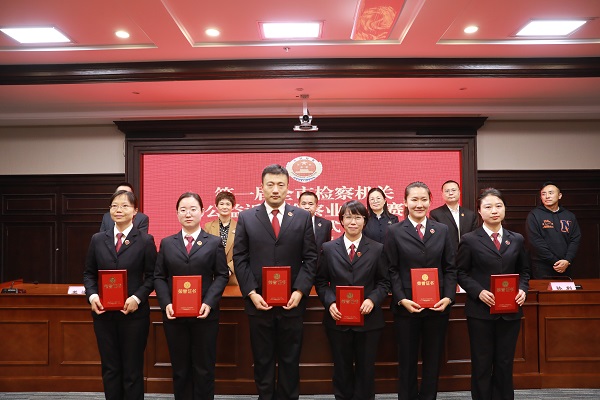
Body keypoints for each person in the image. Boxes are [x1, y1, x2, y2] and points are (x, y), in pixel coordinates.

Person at [233, 164, 318, 400]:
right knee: (262, 359)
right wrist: (251, 293)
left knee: (290, 359)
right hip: (259, 302)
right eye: (270, 184)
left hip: (292, 302)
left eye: (281, 185)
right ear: (261, 187)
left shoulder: (302, 217)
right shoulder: (247, 217)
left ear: (288, 187)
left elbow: (311, 258)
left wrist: (300, 291)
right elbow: (240, 258)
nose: (275, 190)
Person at [384, 181, 456, 400]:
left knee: (433, 360)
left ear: (430, 201)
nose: (419, 204)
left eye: (424, 199)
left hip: (437, 306)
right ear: (405, 202)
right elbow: (391, 269)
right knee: (407, 360)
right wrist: (401, 299)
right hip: (406, 307)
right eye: (414, 199)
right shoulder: (394, 231)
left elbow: (450, 267)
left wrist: (448, 297)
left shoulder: (441, 230)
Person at [154, 192, 229, 400]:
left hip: (205, 315)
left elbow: (221, 275)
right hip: (174, 316)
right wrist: (166, 303)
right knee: (180, 368)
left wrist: (209, 302)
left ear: (202, 212)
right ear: (177, 213)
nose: (188, 214)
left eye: (193, 209)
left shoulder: (213, 242)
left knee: (204, 368)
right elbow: (159, 276)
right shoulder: (167, 243)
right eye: (183, 210)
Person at [457, 188, 530, 400]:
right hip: (481, 311)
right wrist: (478, 291)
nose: (494, 211)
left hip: (510, 311)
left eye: (498, 206)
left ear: (505, 209)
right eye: (488, 207)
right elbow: (460, 272)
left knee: (505, 362)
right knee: (482, 362)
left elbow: (525, 271)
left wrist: (522, 289)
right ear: (480, 211)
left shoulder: (516, 239)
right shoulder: (470, 239)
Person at [83, 189, 157, 400]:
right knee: (110, 368)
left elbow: (152, 276)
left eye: (125, 206)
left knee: (132, 370)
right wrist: (93, 296)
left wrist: (136, 298)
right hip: (104, 315)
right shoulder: (98, 239)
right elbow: (89, 274)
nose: (119, 210)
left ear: (135, 211)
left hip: (134, 316)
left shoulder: (145, 240)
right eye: (114, 206)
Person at [315, 200, 389, 400]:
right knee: (341, 368)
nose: (353, 222)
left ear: (365, 221)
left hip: (368, 320)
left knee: (366, 369)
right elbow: (320, 282)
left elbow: (384, 282)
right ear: (341, 220)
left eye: (358, 217)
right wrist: (330, 302)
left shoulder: (377, 248)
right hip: (338, 319)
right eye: (348, 217)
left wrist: (372, 300)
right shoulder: (328, 248)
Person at [526, 181, 581, 279]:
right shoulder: (534, 215)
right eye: (543, 194)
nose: (547, 196)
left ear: (559, 196)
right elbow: (535, 241)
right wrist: (554, 261)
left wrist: (567, 260)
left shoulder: (569, 216)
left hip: (565, 265)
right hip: (542, 266)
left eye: (551, 193)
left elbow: (575, 239)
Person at [430, 180, 479, 252]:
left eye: (453, 190)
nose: (450, 193)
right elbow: (436, 238)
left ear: (459, 192)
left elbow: (475, 238)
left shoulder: (470, 215)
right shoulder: (435, 214)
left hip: (467, 254)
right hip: (446, 254)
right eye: (447, 191)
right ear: (442, 194)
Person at [204, 191, 239, 285]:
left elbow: (242, 252)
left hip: (233, 276)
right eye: (221, 204)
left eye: (228, 204)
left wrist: (229, 268)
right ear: (216, 206)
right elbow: (204, 251)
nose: (224, 207)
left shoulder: (240, 227)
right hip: (213, 275)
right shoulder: (208, 226)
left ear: (233, 206)